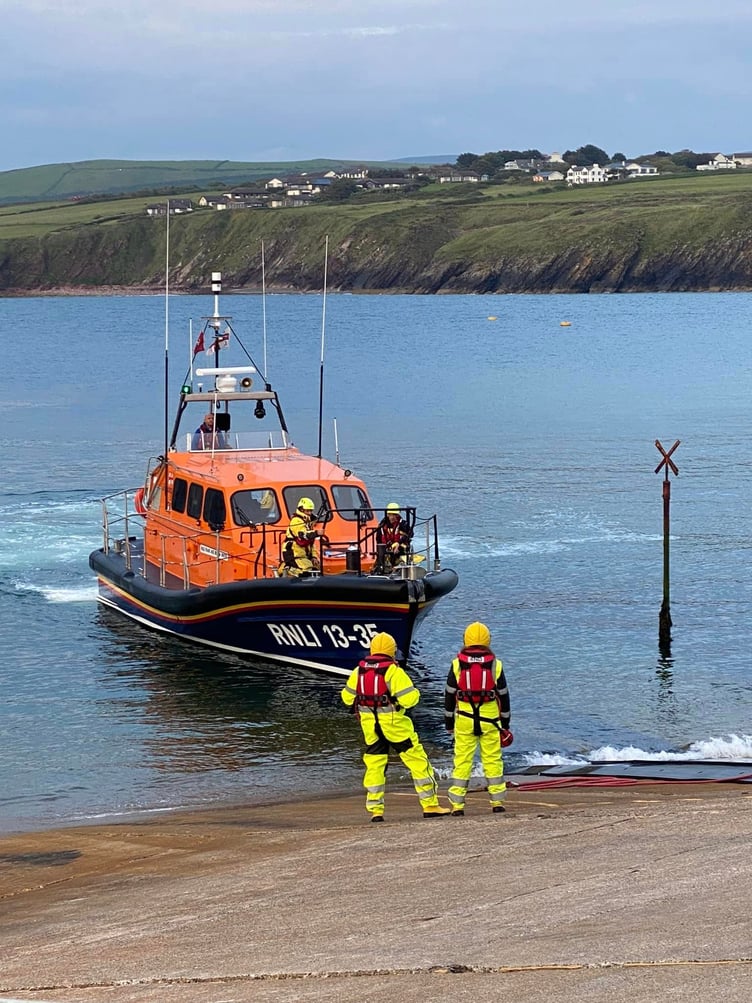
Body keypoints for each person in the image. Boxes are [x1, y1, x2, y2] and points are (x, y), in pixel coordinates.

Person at [341, 632, 451, 822]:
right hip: (396, 727)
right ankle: (430, 804)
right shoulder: (394, 672)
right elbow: (410, 699)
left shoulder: (358, 672)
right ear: (392, 652)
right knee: (418, 763)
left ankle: (376, 809)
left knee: (375, 766)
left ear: (372, 650)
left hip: (371, 730)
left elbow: (347, 698)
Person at [444, 621, 512, 816]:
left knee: (462, 761)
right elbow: (504, 696)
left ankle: (457, 805)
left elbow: (449, 695)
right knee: (492, 760)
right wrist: (505, 723)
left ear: (465, 639)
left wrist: (449, 723)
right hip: (490, 720)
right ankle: (497, 801)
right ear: (488, 640)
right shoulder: (495, 664)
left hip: (464, 720)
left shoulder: (457, 664)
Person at [280, 496, 321, 577]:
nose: (309, 513)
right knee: (304, 570)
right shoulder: (296, 521)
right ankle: (284, 569)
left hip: (304, 556)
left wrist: (314, 556)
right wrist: (316, 533)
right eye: (307, 511)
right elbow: (303, 535)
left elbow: (311, 543)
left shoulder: (308, 523)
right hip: (294, 554)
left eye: (311, 511)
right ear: (301, 509)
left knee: (316, 568)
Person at [376, 502, 413, 570]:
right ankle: (382, 568)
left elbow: (410, 534)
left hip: (401, 550)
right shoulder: (382, 525)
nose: (392, 517)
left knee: (401, 553)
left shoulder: (403, 524)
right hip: (386, 550)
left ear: (397, 515)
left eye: (394, 515)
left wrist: (398, 543)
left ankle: (399, 567)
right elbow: (378, 539)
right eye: (390, 514)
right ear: (387, 514)